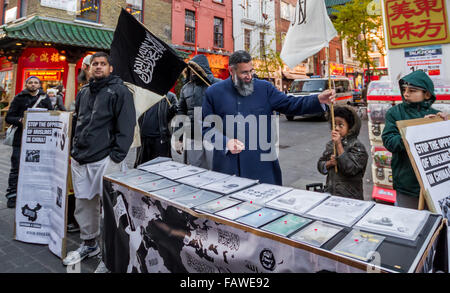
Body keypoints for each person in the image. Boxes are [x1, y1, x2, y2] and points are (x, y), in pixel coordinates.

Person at [202, 50, 335, 185]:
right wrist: (225, 143)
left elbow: (290, 104)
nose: (249, 76)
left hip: (262, 169)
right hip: (227, 168)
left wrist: (318, 99)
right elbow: (206, 129)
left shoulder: (264, 88)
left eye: (251, 71)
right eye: (244, 73)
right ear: (231, 70)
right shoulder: (213, 92)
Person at [62, 52, 136, 272]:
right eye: (95, 64)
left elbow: (127, 126)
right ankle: (89, 244)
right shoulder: (84, 92)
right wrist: (74, 150)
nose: (98, 67)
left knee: (110, 209)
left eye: (103, 64)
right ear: (89, 68)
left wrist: (116, 157)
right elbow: (79, 122)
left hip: (105, 158)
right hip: (81, 158)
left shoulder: (120, 91)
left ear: (110, 68)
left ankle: (110, 256)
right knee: (84, 204)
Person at [382, 70, 447, 209]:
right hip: (407, 185)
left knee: (436, 226)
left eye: (412, 90)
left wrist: (443, 126)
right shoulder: (394, 113)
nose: (406, 94)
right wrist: (417, 131)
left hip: (435, 185)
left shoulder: (435, 115)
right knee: (409, 224)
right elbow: (389, 142)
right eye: (404, 89)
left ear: (427, 94)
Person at [5, 76, 53, 208]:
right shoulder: (19, 98)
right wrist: (20, 120)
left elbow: (51, 114)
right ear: (26, 84)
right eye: (30, 82)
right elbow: (9, 117)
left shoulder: (45, 98)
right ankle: (12, 196)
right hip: (20, 138)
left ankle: (32, 194)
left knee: (36, 167)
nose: (33, 85)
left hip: (39, 140)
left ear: (39, 85)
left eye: (35, 82)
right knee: (16, 168)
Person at [176, 54, 221, 169]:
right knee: (195, 170)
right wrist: (179, 138)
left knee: (215, 170)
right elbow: (181, 114)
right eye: (191, 69)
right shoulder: (186, 88)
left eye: (196, 69)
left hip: (214, 134)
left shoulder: (218, 85)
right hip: (193, 135)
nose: (193, 72)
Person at [317, 106, 368, 200]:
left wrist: (339, 145)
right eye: (334, 125)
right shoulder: (330, 144)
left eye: (341, 125)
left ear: (350, 127)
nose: (336, 128)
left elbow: (350, 169)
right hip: (331, 194)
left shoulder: (357, 146)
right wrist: (329, 163)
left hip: (350, 197)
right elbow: (320, 165)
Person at [135, 91, 178, 166]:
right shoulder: (144, 94)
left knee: (161, 167)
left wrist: (172, 110)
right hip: (144, 138)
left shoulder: (170, 96)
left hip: (161, 138)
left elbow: (177, 110)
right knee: (142, 167)